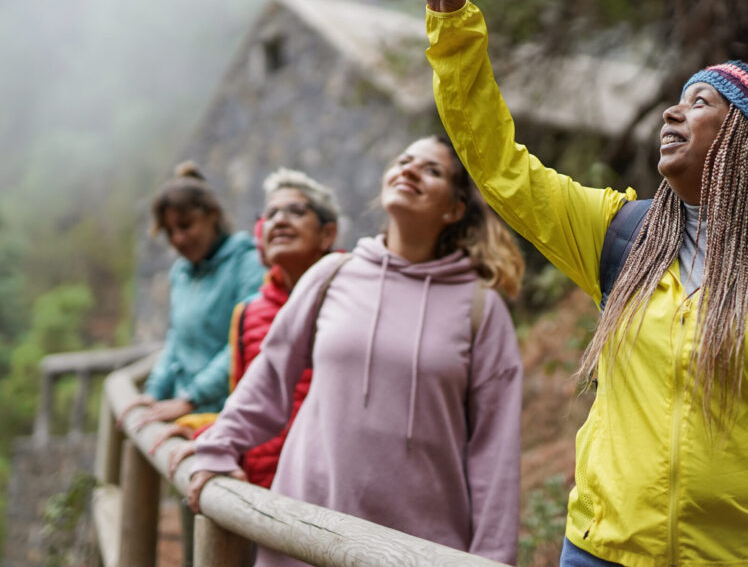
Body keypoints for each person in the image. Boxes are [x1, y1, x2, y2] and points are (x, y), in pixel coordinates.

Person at [399, 0, 748, 567]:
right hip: (604, 552)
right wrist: (455, 24)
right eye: (678, 99)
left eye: (701, 104)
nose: (673, 111)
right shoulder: (621, 235)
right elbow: (499, 166)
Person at [184, 136, 526, 567]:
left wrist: (493, 558)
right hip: (304, 532)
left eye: (432, 170)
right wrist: (216, 447)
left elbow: (494, 448)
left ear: (454, 209)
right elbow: (267, 382)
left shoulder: (481, 308)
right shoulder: (331, 275)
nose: (410, 170)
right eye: (403, 160)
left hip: (417, 549)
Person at [157, 168, 341, 490]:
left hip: (330, 495)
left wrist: (192, 402)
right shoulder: (250, 313)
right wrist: (206, 433)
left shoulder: (354, 301)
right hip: (260, 492)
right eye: (270, 214)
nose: (280, 220)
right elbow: (252, 404)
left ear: (327, 234)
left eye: (296, 211)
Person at [120, 162, 265, 431]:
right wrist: (153, 393)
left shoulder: (248, 264)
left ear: (212, 215)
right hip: (185, 414)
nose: (178, 239)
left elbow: (245, 343)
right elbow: (177, 341)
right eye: (169, 232)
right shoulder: (182, 273)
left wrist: (191, 399)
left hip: (229, 418)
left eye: (186, 226)